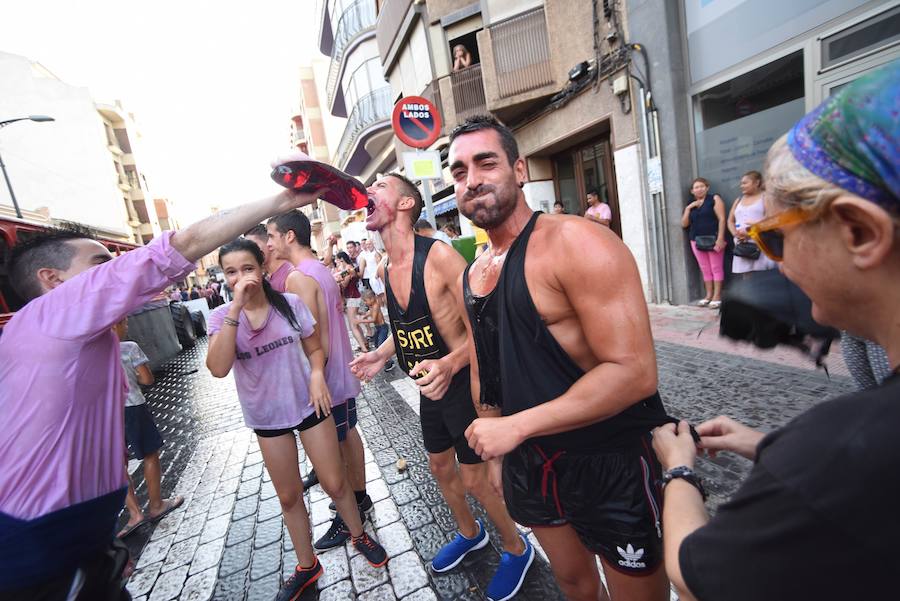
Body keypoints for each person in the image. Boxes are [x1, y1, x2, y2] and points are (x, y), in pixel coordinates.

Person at [0, 165, 324, 600]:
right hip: (36, 549)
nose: (116, 272)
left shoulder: (61, 340)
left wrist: (99, 542)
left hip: (73, 544)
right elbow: (180, 247)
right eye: (100, 266)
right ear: (52, 282)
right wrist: (283, 201)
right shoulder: (50, 315)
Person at [651, 63, 900, 601]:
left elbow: (692, 572)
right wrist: (769, 445)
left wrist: (678, 470)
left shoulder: (841, 446)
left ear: (859, 231)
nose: (778, 264)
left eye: (776, 238)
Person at [449, 115, 672, 601]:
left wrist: (517, 426)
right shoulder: (473, 273)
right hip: (531, 460)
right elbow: (486, 367)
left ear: (520, 169)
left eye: (486, 162)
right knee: (572, 582)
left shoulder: (578, 242)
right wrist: (500, 449)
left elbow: (633, 373)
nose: (472, 180)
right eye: (459, 171)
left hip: (608, 456)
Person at [350, 172, 536, 601]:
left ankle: (516, 546)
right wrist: (380, 355)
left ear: (404, 204)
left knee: (475, 481)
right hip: (428, 389)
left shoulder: (439, 259)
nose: (369, 189)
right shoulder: (383, 266)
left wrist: (450, 364)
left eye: (380, 184)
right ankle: (471, 534)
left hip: (465, 386)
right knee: (439, 467)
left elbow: (486, 325)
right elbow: (409, 325)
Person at [206, 239, 387, 600]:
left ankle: (358, 532)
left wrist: (318, 373)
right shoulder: (221, 318)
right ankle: (307, 565)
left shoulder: (289, 305)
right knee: (289, 495)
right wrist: (235, 309)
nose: (241, 277)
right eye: (231, 272)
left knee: (336, 483)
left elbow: (314, 347)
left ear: (262, 268)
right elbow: (218, 367)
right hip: (267, 418)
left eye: (247, 268)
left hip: (309, 405)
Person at [266, 210, 373, 550]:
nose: (269, 244)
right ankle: (360, 498)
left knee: (336, 448)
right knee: (347, 437)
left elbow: (314, 340)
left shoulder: (300, 277)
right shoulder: (319, 270)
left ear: (289, 237)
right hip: (338, 374)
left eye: (271, 236)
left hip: (327, 379)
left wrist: (315, 377)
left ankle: (350, 514)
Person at [114, 318, 184, 538]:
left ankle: (135, 514)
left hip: (108, 414)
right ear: (115, 325)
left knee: (117, 464)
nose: (127, 327)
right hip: (134, 407)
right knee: (150, 454)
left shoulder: (89, 354)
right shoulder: (129, 348)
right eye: (124, 323)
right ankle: (156, 505)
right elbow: (147, 379)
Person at [681, 177, 727, 308]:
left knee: (716, 267)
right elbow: (684, 224)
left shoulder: (714, 199)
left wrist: (720, 238)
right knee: (705, 268)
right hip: (696, 240)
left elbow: (722, 219)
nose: (699, 189)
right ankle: (708, 295)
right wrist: (689, 208)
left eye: (702, 186)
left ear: (707, 188)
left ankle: (717, 296)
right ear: (692, 191)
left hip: (713, 238)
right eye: (696, 187)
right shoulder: (691, 204)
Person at [727, 171, 776, 276]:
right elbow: (730, 220)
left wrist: (751, 232)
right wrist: (736, 234)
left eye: (745, 183)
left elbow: (771, 219)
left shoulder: (765, 197)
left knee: (763, 276)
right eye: (741, 183)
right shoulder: (739, 200)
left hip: (760, 242)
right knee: (747, 275)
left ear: (757, 183)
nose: (742, 186)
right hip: (742, 244)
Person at [334, 251, 368, 351]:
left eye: (337, 259)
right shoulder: (348, 268)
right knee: (355, 323)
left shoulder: (348, 269)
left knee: (353, 325)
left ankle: (364, 348)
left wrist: (337, 281)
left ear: (341, 259)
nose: (336, 261)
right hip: (353, 296)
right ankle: (364, 343)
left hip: (352, 297)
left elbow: (344, 283)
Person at [357, 289, 394, 371]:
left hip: (383, 328)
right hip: (378, 328)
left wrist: (361, 320)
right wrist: (364, 315)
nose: (365, 303)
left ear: (371, 299)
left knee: (381, 345)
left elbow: (373, 319)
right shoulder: (371, 306)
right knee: (377, 344)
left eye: (365, 301)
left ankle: (389, 362)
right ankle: (386, 359)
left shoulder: (376, 305)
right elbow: (370, 312)